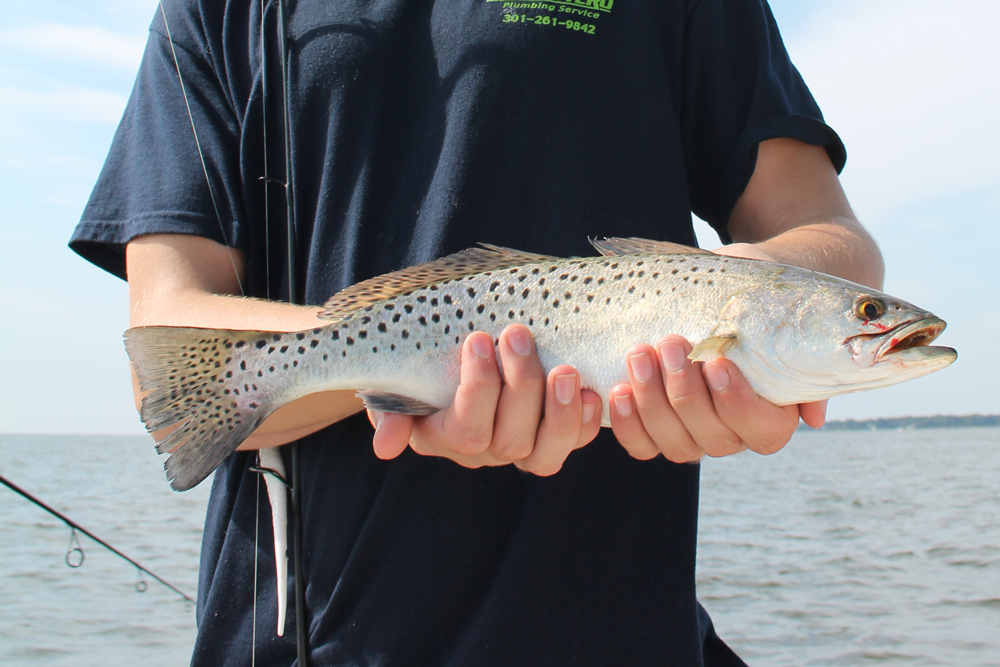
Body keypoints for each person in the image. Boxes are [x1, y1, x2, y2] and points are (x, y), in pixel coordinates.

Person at [71, 0, 883, 664]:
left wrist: (736, 309)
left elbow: (829, 238)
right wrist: (408, 366)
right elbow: (171, 361)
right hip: (306, 642)